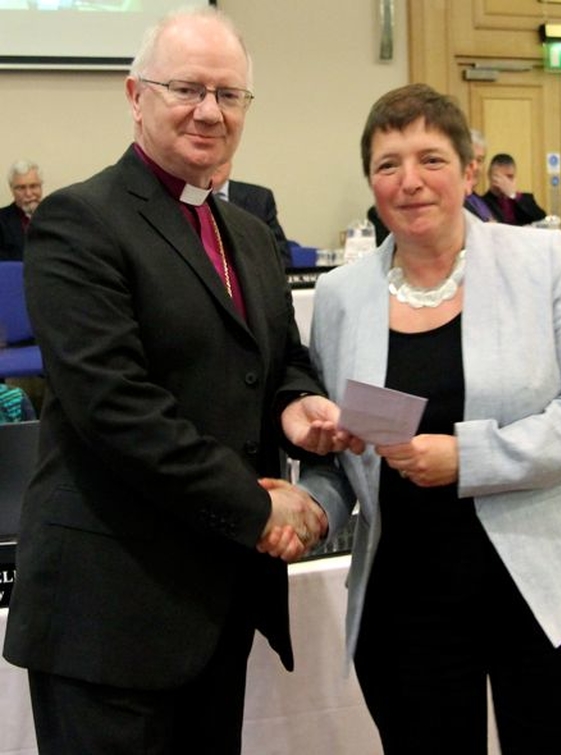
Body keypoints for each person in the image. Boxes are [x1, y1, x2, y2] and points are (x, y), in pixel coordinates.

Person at [2, 7, 358, 754]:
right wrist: (257, 508)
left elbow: (283, 356)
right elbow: (118, 408)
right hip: (108, 611)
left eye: (229, 95)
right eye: (186, 88)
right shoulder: (79, 221)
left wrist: (297, 407)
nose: (209, 111)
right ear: (136, 96)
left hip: (212, 606)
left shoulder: (252, 236)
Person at [297, 83, 561, 754]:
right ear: (371, 180)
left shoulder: (542, 263)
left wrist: (468, 458)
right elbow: (339, 449)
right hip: (407, 601)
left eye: (431, 159)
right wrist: (312, 505)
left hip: (546, 589)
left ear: (469, 170)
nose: (410, 181)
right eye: (389, 164)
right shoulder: (338, 297)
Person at [211, 160, 293, 267]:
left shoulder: (259, 198)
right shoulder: (183, 198)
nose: (215, 165)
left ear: (230, 162)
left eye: (221, 160)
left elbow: (280, 255)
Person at [482, 152, 547, 226]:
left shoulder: (526, 199)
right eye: (498, 177)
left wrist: (513, 195)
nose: (504, 182)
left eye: (509, 177)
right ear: (489, 176)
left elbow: (542, 220)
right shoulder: (482, 203)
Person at [0, 159, 43, 260]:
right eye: (21, 188)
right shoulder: (1, 221)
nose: (28, 194)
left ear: (41, 187)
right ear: (12, 190)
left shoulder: (57, 217)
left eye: (33, 186)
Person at [463, 129, 495, 221]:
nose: (475, 167)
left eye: (479, 160)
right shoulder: (454, 202)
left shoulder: (480, 200)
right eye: (469, 158)